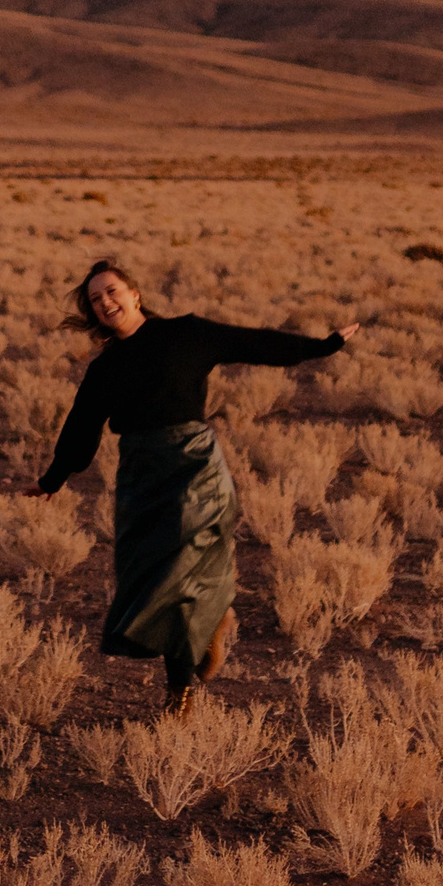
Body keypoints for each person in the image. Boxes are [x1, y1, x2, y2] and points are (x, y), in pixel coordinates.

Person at [35, 259, 360, 711]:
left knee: (180, 572)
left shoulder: (186, 334)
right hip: (140, 474)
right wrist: (54, 478)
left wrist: (322, 346)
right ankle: (209, 625)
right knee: (151, 579)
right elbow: (81, 426)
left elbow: (255, 342)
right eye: (95, 299)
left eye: (112, 291)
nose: (106, 302)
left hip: (194, 466)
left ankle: (180, 689)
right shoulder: (105, 369)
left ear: (135, 294)